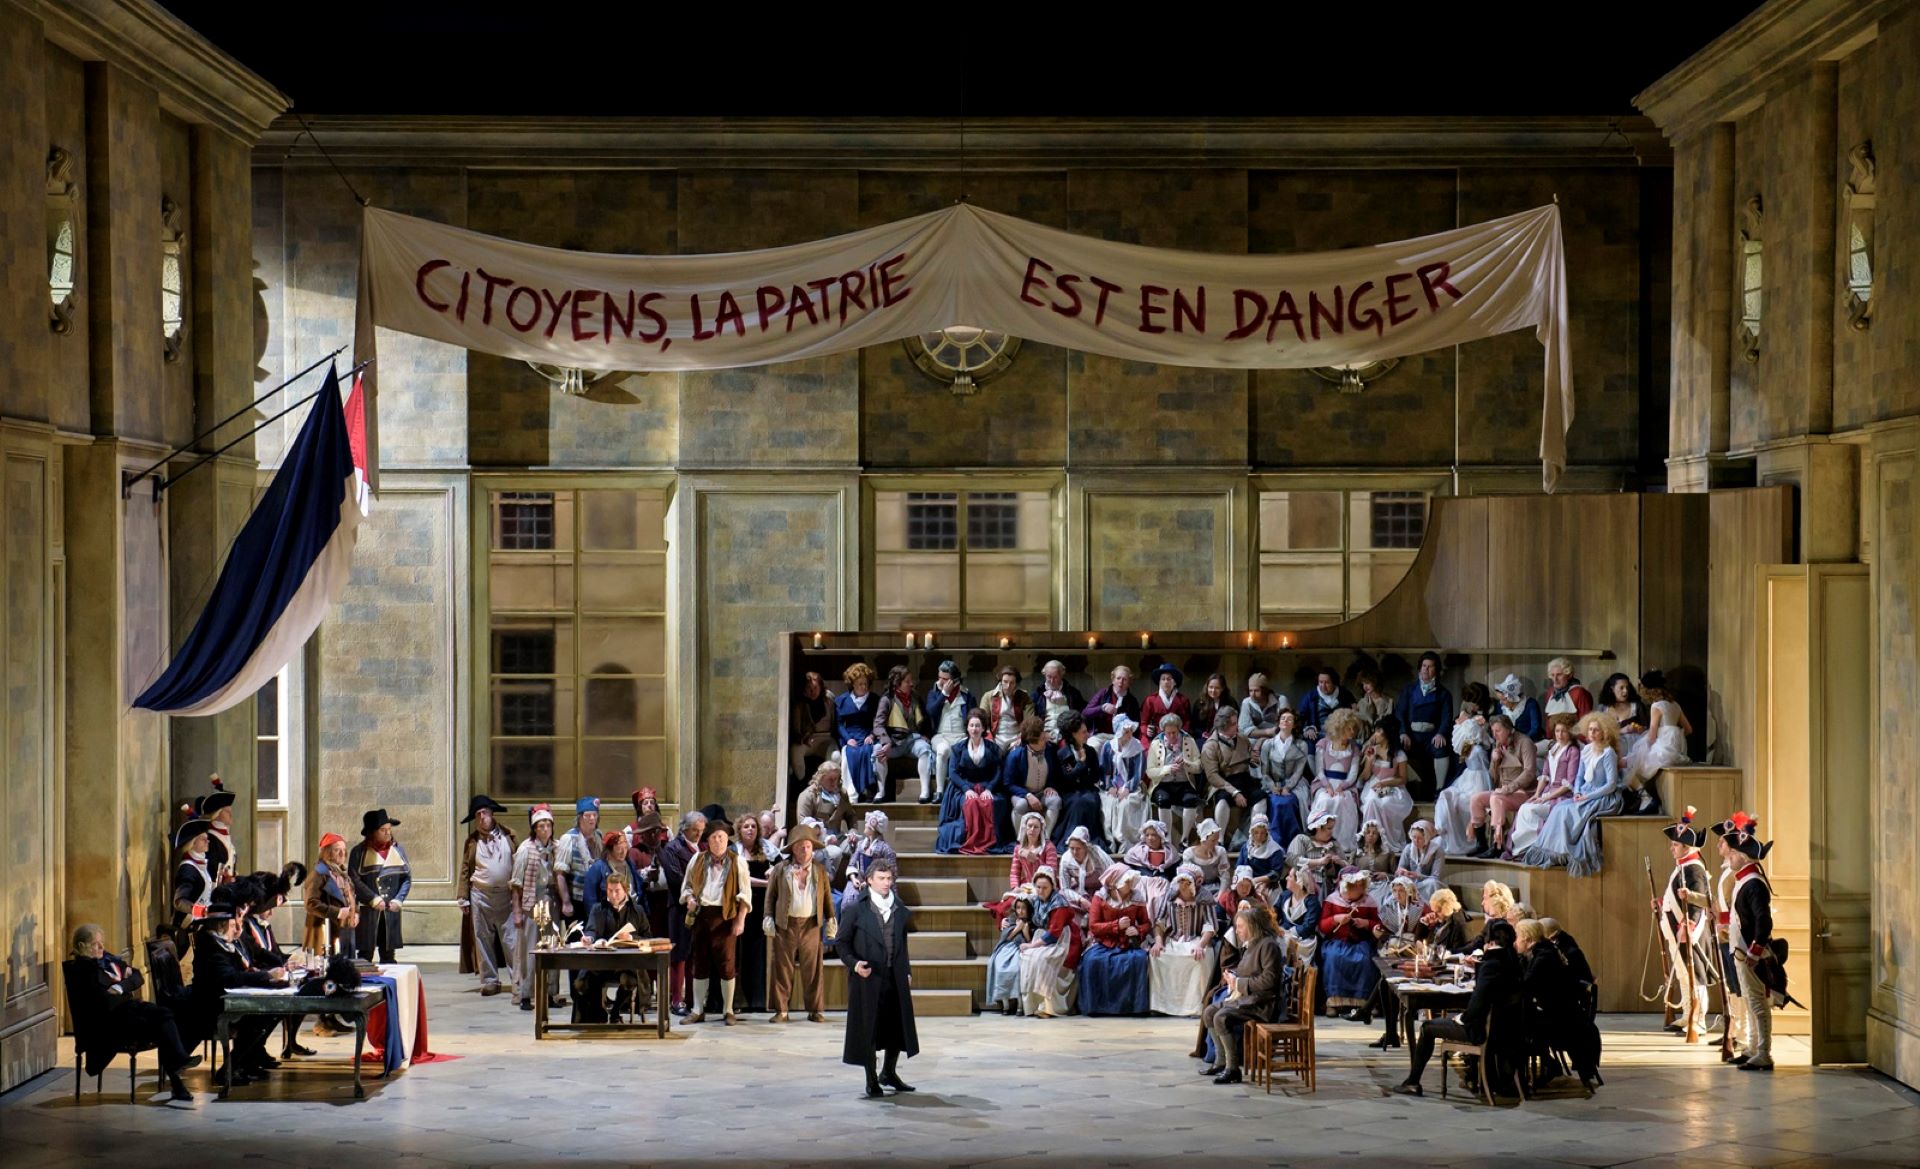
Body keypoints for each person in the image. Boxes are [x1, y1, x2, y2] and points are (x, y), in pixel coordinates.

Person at [1394, 919, 1523, 1097]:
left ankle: (1413, 1081)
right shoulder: (1514, 962)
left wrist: (1461, 1018)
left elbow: (1479, 1003)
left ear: (1490, 942)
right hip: (1507, 1029)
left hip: (1483, 1030)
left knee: (1427, 1028)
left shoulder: (1491, 965)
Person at [71, 923, 198, 1101]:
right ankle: (179, 1068)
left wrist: (120, 986)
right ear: (81, 946)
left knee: (164, 1018)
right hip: (110, 1024)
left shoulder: (106, 960)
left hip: (127, 1011)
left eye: (101, 943)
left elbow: (137, 976)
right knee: (163, 1018)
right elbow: (103, 1001)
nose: (102, 947)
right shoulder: (82, 970)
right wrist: (123, 980)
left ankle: (178, 1075)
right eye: (95, 944)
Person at [837, 857, 919, 1098]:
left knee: (895, 1026)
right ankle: (871, 1079)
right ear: (869, 880)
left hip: (893, 975)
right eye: (881, 878)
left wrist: (907, 971)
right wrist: (854, 964)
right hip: (868, 978)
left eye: (889, 878)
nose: (886, 883)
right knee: (868, 1029)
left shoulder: (899, 909)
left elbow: (902, 944)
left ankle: (888, 1073)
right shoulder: (856, 909)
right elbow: (841, 943)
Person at [191, 887, 288, 1086]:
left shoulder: (225, 942)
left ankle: (244, 1063)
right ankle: (229, 1068)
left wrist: (268, 976)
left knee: (271, 1012)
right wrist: (266, 976)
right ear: (222, 925)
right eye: (233, 924)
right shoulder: (210, 945)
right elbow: (230, 977)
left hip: (227, 997)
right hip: (211, 1003)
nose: (238, 929)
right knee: (256, 1018)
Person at [1715, 812, 1781, 1071]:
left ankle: (1763, 1052)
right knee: (1752, 1004)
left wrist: (1754, 952)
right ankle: (1753, 1048)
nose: (1729, 856)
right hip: (1742, 952)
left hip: (1751, 955)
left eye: (1733, 854)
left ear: (1742, 857)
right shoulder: (1746, 881)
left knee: (1757, 1005)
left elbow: (1763, 923)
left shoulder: (1753, 884)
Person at [1522, 712, 1625, 876]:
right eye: (1590, 729)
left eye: (1596, 730)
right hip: (1584, 793)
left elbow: (1611, 784)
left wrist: (1588, 797)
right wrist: (1577, 791)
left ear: (1604, 732)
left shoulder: (1608, 753)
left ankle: (1567, 852)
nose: (1591, 733)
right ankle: (1555, 853)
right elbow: (1578, 776)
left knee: (1568, 811)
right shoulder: (1587, 751)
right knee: (1558, 809)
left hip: (1603, 797)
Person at [1199, 903, 1289, 1084]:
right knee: (1209, 1012)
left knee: (1221, 1017)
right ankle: (1220, 1061)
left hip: (1262, 1003)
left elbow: (1269, 982)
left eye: (1241, 926)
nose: (1237, 931)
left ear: (1253, 926)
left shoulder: (1268, 946)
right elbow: (1248, 972)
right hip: (1249, 998)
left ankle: (1233, 1069)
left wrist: (1239, 983)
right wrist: (1233, 978)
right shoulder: (1252, 945)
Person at [680, 816, 753, 1024]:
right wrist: (690, 898)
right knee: (699, 963)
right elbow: (686, 886)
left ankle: (728, 1010)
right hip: (702, 916)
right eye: (714, 837)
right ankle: (697, 1009)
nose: (718, 841)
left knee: (727, 964)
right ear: (707, 841)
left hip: (725, 917)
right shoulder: (697, 859)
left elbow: (745, 894)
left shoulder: (737, 862)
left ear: (726, 839)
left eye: (721, 837)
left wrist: (740, 920)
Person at [1514, 918, 1602, 1090]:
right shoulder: (1542, 951)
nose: (1515, 941)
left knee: (1517, 1026)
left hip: (1563, 1020)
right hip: (1560, 1013)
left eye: (1517, 937)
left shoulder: (1544, 957)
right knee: (1522, 1020)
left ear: (1528, 939)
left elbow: (1526, 985)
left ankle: (1525, 1073)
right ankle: (1546, 1065)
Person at [1656, 807, 1718, 1042]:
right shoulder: (1684, 866)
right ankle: (1687, 1013)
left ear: (1687, 847)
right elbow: (1677, 896)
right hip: (1677, 930)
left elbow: (1697, 900)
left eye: (1675, 845)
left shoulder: (1694, 868)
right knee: (1683, 974)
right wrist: (1662, 903)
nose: (1672, 848)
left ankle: (1698, 1020)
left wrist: (1689, 925)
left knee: (1695, 976)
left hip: (1687, 931)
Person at [765, 824, 837, 1023]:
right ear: (793, 849)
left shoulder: (819, 870)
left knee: (813, 969)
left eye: (807, 846)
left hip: (811, 925)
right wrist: (768, 916)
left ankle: (815, 1009)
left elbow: (827, 897)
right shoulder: (781, 869)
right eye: (800, 847)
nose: (804, 850)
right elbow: (770, 897)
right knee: (782, 968)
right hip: (785, 925)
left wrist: (831, 917)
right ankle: (781, 1010)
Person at [457, 794, 518, 998]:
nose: (482, 817)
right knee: (482, 939)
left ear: (492, 814)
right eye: (478, 814)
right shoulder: (472, 841)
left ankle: (518, 980)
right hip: (480, 895)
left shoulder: (510, 835)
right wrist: (463, 896)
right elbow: (466, 869)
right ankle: (490, 980)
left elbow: (519, 861)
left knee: (511, 940)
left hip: (507, 897)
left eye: (485, 812)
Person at [578, 869, 653, 1023]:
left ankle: (616, 1011)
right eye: (610, 891)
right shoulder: (598, 909)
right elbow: (591, 929)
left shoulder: (636, 910)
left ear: (625, 890)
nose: (613, 895)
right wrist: (590, 938)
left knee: (629, 981)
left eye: (617, 891)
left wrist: (631, 937)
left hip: (627, 964)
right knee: (582, 983)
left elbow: (647, 937)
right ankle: (599, 1012)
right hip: (601, 963)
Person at [510, 805, 563, 1011]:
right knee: (531, 948)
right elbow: (516, 883)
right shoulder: (526, 849)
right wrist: (517, 912)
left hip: (552, 899)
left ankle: (551, 992)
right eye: (541, 825)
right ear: (535, 828)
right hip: (534, 900)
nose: (545, 829)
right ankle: (526, 993)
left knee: (552, 945)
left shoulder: (556, 847)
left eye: (548, 825)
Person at [1082, 865, 1152, 1016]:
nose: (1131, 885)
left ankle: (1133, 1007)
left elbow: (1146, 923)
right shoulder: (1100, 898)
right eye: (1127, 882)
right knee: (1092, 961)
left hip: (1128, 943)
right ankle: (1098, 1007)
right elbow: (1093, 926)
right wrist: (1115, 925)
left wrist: (1138, 930)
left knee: (1138, 960)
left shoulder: (1137, 897)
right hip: (1103, 942)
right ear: (1114, 884)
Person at [1150, 866, 1218, 1017]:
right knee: (1157, 956)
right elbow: (1159, 922)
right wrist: (1159, 941)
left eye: (1187, 882)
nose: (1183, 885)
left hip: (1196, 938)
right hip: (1174, 939)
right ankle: (1162, 1005)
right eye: (1181, 881)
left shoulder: (1204, 897)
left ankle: (1194, 1007)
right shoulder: (1170, 896)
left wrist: (1201, 945)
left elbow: (1210, 925)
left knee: (1200, 958)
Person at [1319, 869, 1385, 1021]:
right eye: (1355, 886)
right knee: (1333, 957)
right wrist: (1335, 918)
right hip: (1337, 942)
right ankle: (1334, 1003)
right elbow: (1322, 926)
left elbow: (1378, 924)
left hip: (1361, 942)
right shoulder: (1332, 900)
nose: (1359, 889)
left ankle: (1366, 1003)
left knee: (1366, 960)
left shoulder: (1370, 901)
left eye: (1361, 885)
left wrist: (1367, 924)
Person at [1468, 714, 1538, 858]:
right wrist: (1494, 761)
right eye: (1493, 731)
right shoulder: (1498, 744)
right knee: (1476, 799)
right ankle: (1481, 844)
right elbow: (1493, 777)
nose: (1494, 735)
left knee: (1496, 798)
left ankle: (1497, 845)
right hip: (1502, 791)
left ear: (1508, 729)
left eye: (1498, 731)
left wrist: (1509, 788)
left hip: (1524, 792)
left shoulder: (1525, 742)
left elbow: (1529, 772)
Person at [347, 809, 412, 964]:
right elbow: (354, 879)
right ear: (372, 832)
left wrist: (398, 900)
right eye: (383, 830)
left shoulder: (398, 850)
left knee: (389, 952)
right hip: (368, 912)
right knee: (365, 954)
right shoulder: (358, 852)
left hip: (390, 912)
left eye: (389, 830)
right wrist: (373, 899)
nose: (388, 833)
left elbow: (407, 878)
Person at [1509, 713, 1579, 856]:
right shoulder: (1553, 749)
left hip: (1562, 795)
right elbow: (1545, 775)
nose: (1560, 734)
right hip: (1547, 792)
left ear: (1570, 732)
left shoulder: (1573, 751)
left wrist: (1547, 798)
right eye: (1557, 731)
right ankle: (1525, 848)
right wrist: (1537, 794)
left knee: (1530, 811)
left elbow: (1569, 783)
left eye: (1564, 731)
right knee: (1525, 808)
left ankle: (1538, 845)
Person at [938, 709, 1005, 855]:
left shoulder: (993, 748)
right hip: (963, 787)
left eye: (978, 726)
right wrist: (966, 789)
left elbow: (998, 772)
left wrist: (990, 789)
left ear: (983, 728)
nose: (974, 729)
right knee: (971, 803)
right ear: (967, 727)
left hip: (987, 785)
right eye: (971, 725)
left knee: (988, 803)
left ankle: (987, 842)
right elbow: (953, 773)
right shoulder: (958, 749)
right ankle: (970, 840)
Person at [1016, 868, 1081, 1018]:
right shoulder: (1036, 899)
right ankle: (1031, 1005)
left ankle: (1048, 1006)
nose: (1041, 891)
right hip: (1042, 938)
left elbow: (1053, 934)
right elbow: (1015, 904)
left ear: (1052, 887)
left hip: (1063, 941)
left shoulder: (1059, 904)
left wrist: (1031, 945)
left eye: (1045, 887)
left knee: (1043, 960)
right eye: (1038, 887)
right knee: (1027, 958)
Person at [658, 810, 705, 1013]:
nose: (698, 834)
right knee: (680, 954)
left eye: (701, 830)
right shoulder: (673, 849)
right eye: (695, 830)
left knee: (695, 953)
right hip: (679, 907)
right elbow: (676, 879)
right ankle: (676, 1000)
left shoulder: (703, 847)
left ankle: (693, 999)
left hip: (701, 908)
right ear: (685, 828)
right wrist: (695, 892)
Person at [1393, 652, 1455, 800]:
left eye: (1430, 666)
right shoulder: (1409, 690)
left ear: (1436, 670)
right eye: (1424, 666)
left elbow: (1447, 717)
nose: (1426, 669)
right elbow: (1400, 713)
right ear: (1419, 668)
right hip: (1411, 735)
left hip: (1431, 736)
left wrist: (1441, 733)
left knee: (1441, 749)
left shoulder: (1443, 693)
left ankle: (1439, 790)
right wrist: (1403, 732)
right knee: (1397, 749)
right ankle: (1403, 789)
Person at [874, 665, 935, 803]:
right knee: (878, 751)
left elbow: (925, 717)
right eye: (907, 681)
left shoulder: (915, 696)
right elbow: (878, 724)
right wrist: (886, 742)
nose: (911, 683)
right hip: (894, 742)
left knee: (924, 750)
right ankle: (881, 790)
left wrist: (926, 734)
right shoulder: (887, 699)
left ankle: (925, 791)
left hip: (913, 739)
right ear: (898, 682)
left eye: (910, 680)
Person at [1434, 708, 1491, 854]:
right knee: (1446, 795)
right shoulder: (1467, 746)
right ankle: (1442, 828)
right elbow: (1461, 762)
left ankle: (1469, 839)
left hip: (1478, 780)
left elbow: (1485, 768)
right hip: (1466, 779)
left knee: (1463, 802)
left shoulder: (1478, 750)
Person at [1202, 707, 1261, 845]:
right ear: (1224, 726)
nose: (1238, 726)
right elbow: (1212, 776)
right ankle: (1220, 839)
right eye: (1234, 723)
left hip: (1245, 779)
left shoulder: (1242, 738)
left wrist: (1254, 760)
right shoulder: (1210, 746)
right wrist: (1234, 792)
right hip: (1223, 783)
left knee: (1261, 798)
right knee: (1223, 800)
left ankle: (1253, 837)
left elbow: (1250, 762)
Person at [1624, 669, 1693, 786]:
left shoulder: (1656, 706)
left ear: (1648, 691)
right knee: (1635, 761)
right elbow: (1689, 730)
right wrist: (1676, 735)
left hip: (1663, 747)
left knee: (1636, 764)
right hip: (1676, 748)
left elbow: (1652, 736)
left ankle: (1645, 798)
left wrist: (1648, 746)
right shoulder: (1675, 705)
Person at [1309, 708, 1363, 850]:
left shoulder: (1354, 749)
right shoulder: (1323, 744)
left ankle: (1341, 844)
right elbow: (1319, 770)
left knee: (1341, 801)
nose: (1352, 732)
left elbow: (1353, 774)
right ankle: (1320, 840)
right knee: (1325, 800)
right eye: (1348, 728)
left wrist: (1342, 787)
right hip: (1324, 783)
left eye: (1353, 728)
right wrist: (1327, 786)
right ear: (1339, 727)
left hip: (1345, 785)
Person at [1002, 715, 1061, 844]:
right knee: (1021, 805)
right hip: (1022, 793)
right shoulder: (1015, 755)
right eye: (1041, 739)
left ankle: (1046, 838)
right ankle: (1022, 840)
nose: (1045, 739)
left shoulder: (1050, 750)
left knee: (1055, 801)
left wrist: (1051, 785)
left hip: (1042, 791)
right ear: (1031, 742)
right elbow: (1008, 783)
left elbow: (1055, 774)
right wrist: (1027, 795)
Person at [1147, 712, 1205, 844]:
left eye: (1175, 732)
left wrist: (1186, 763)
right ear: (1163, 731)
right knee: (1164, 800)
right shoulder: (1156, 743)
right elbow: (1150, 771)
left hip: (1184, 783)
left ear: (1179, 729)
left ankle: (1184, 839)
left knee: (1190, 800)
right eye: (1169, 733)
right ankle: (1166, 839)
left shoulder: (1189, 741)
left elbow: (1198, 767)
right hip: (1163, 784)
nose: (1172, 735)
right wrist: (1167, 769)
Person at [1049, 711, 1105, 848]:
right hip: (1069, 792)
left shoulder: (1090, 751)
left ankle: (1090, 839)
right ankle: (1072, 839)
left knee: (1090, 801)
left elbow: (1095, 776)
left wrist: (1077, 775)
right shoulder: (1061, 754)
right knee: (1078, 803)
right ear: (1073, 734)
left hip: (1088, 790)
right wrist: (1081, 764)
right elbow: (1065, 779)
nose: (1087, 735)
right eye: (1083, 732)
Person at [1258, 708, 1312, 847]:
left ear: (1294, 724)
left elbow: (1298, 772)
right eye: (1283, 718)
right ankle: (1276, 843)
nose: (1285, 721)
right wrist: (1272, 786)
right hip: (1273, 783)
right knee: (1276, 802)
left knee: (1288, 802)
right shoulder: (1268, 744)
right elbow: (1264, 771)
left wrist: (1288, 787)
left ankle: (1293, 842)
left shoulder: (1301, 745)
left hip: (1295, 784)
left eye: (1289, 719)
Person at [924, 660, 975, 804]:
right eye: (939, 677)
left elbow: (973, 715)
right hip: (941, 735)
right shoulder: (934, 693)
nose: (940, 681)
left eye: (945, 679)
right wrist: (944, 694)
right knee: (942, 750)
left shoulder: (966, 695)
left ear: (954, 680)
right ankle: (939, 791)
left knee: (967, 751)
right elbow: (930, 712)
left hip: (961, 735)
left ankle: (965, 789)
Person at [302, 832, 359, 958]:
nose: (342, 853)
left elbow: (351, 897)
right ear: (327, 852)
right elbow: (310, 903)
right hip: (325, 931)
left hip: (345, 929)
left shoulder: (342, 873)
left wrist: (356, 913)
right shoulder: (318, 874)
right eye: (337, 850)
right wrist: (337, 912)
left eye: (344, 850)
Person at [1357, 726, 1413, 851]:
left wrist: (1385, 783)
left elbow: (1403, 779)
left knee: (1386, 803)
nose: (1375, 734)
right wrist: (1370, 761)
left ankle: (1387, 839)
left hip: (1392, 786)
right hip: (1373, 785)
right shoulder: (1372, 750)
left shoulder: (1399, 754)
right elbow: (1365, 776)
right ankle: (1369, 839)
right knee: (1372, 801)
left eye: (1378, 731)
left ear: (1387, 734)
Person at [836, 662, 884, 800]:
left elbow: (879, 721)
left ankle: (867, 789)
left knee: (867, 751)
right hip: (850, 735)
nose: (864, 686)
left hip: (867, 735)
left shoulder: (875, 700)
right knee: (848, 753)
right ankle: (851, 793)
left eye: (866, 683)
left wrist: (872, 735)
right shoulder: (842, 700)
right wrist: (847, 739)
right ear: (853, 684)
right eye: (860, 683)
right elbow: (839, 724)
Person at [1099, 713, 1147, 848]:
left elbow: (1138, 773)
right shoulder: (1108, 746)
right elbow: (1105, 769)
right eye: (1126, 732)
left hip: (1131, 786)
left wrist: (1127, 788)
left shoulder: (1137, 747)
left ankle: (1124, 840)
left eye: (1131, 731)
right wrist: (1109, 786)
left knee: (1125, 805)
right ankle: (1110, 841)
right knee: (1108, 804)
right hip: (1112, 786)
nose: (1130, 734)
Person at [553, 797, 603, 925]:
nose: (592, 818)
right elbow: (560, 874)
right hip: (577, 901)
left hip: (596, 899)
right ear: (580, 817)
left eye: (594, 815)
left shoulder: (599, 836)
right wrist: (566, 902)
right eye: (588, 815)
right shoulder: (569, 838)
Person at [988, 895, 1036, 1014]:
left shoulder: (1032, 922)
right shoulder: (1010, 920)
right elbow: (1006, 938)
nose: (1021, 911)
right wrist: (1017, 929)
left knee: (1017, 969)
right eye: (1018, 908)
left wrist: (1025, 932)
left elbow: (1031, 942)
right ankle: (1005, 1004)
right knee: (1000, 967)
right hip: (1008, 947)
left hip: (1021, 949)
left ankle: (1020, 1004)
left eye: (1023, 908)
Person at [791, 670, 839, 787]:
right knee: (795, 750)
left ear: (821, 686)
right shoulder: (800, 704)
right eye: (809, 688)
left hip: (826, 738)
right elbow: (796, 728)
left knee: (835, 756)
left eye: (815, 688)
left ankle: (828, 784)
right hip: (809, 739)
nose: (812, 691)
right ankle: (802, 782)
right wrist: (802, 738)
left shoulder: (829, 699)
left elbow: (836, 721)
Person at [1123, 820, 1180, 917]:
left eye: (1154, 835)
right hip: (1141, 885)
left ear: (1161, 836)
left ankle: (1158, 925)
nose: (1150, 838)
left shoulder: (1170, 853)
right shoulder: (1136, 852)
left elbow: (1174, 876)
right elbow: (1129, 873)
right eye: (1147, 835)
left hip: (1162, 887)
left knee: (1159, 898)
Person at [170, 816, 216, 931]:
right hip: (188, 925)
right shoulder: (187, 868)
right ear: (193, 843)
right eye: (203, 839)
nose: (207, 841)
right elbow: (179, 902)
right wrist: (201, 911)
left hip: (201, 923)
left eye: (207, 838)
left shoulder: (200, 865)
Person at [1285, 811, 1345, 896]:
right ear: (1318, 827)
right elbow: (1292, 859)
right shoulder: (1302, 839)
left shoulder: (1334, 844)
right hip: (1305, 888)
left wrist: (1339, 862)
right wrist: (1319, 861)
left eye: (1332, 828)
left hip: (1329, 889)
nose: (1331, 832)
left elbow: (1347, 866)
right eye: (1329, 828)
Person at [193, 777, 239, 885]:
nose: (231, 815)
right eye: (227, 811)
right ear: (217, 814)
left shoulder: (224, 836)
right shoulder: (209, 839)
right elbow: (209, 871)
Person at [796, 759, 856, 842]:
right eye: (830, 779)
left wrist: (853, 831)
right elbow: (803, 823)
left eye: (836, 779)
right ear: (820, 778)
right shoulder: (808, 795)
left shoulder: (842, 794)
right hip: (817, 841)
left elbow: (850, 815)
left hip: (838, 837)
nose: (834, 782)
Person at [1276, 862, 1323, 965]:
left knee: (1287, 943)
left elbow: (1307, 927)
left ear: (1299, 881)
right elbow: (1274, 913)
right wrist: (1274, 927)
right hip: (1282, 934)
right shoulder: (1285, 895)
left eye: (1290, 876)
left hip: (1304, 940)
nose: (1287, 878)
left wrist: (1287, 933)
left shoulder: (1312, 902)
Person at [1082, 665, 1141, 747]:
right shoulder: (1103, 693)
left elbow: (1136, 725)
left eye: (1125, 679)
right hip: (1100, 735)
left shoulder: (1132, 701)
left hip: (1121, 737)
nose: (1121, 682)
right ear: (1113, 680)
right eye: (1118, 678)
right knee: (1093, 746)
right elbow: (1085, 713)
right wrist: (1102, 708)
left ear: (1129, 682)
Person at [1033, 659, 1087, 743]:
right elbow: (1032, 717)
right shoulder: (1038, 693)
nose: (1052, 681)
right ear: (1044, 674)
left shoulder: (1072, 693)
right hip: (1045, 733)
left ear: (1062, 675)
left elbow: (1082, 713)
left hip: (1068, 733)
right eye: (1049, 677)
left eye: (1055, 677)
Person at [1139, 664, 1193, 744]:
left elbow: (1187, 722)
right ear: (1159, 682)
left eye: (1169, 679)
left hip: (1176, 736)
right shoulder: (1150, 700)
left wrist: (1180, 734)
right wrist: (1147, 730)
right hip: (1155, 736)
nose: (1166, 682)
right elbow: (1143, 723)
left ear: (1174, 682)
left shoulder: (1183, 700)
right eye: (1163, 679)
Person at [1181, 818, 1234, 899]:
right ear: (1203, 840)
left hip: (1216, 888)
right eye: (1213, 840)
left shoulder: (1220, 851)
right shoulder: (1189, 854)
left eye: (1217, 839)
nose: (1216, 843)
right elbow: (1188, 878)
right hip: (1197, 889)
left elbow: (1225, 876)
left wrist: (1220, 896)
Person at [1296, 667, 1350, 742]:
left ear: (1334, 682)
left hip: (1341, 735)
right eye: (1321, 682)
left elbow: (1353, 712)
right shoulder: (1310, 697)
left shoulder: (1345, 694)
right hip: (1318, 736)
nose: (1323, 686)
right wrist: (1307, 728)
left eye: (1327, 682)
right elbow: (1300, 718)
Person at [1396, 819, 1446, 902]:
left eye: (1419, 838)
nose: (1416, 841)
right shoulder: (1408, 848)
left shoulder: (1437, 851)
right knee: (1400, 882)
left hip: (1427, 883)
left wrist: (1418, 875)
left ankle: (1428, 908)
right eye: (1414, 837)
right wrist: (1403, 872)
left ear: (1427, 837)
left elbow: (1436, 876)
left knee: (1433, 883)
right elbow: (1400, 868)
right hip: (1410, 882)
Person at [983, 664, 1030, 750]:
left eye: (1012, 683)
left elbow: (1029, 720)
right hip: (996, 737)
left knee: (1017, 755)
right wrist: (989, 737)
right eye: (1005, 682)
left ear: (1016, 683)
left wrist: (1021, 737)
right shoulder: (988, 696)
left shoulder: (1024, 697)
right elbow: (982, 720)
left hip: (1016, 737)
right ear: (1000, 681)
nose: (1008, 686)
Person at [1542, 657, 1595, 724]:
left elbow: (1585, 723)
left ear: (1569, 675)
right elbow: (1548, 722)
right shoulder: (1550, 692)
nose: (1555, 679)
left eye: (1559, 675)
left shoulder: (1579, 692)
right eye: (1552, 675)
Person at [1239, 672, 1288, 744]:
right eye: (1250, 691)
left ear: (1265, 690)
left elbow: (1285, 726)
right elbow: (1244, 729)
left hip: (1277, 740)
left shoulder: (1280, 700)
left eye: (1256, 691)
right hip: (1254, 741)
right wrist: (1267, 732)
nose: (1253, 695)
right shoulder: (1247, 703)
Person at [1492, 674, 1544, 741]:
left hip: (1530, 742)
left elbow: (1535, 728)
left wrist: (1521, 742)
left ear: (1512, 698)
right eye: (1500, 699)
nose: (1500, 702)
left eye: (1504, 699)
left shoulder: (1530, 704)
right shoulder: (1501, 707)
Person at [1238, 813, 1285, 882]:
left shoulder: (1274, 850)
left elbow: (1276, 873)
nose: (1259, 836)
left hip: (1267, 884)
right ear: (1252, 832)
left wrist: (1256, 881)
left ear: (1267, 833)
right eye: (1256, 833)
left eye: (1262, 833)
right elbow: (1239, 867)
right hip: (1246, 882)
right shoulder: (1246, 848)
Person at [1193, 673, 1236, 743]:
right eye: (1211, 687)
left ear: (1222, 688)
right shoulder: (1200, 703)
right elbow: (1195, 726)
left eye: (1217, 688)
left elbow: (1234, 723)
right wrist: (1202, 734)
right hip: (1204, 738)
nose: (1213, 690)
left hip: (1225, 737)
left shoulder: (1230, 702)